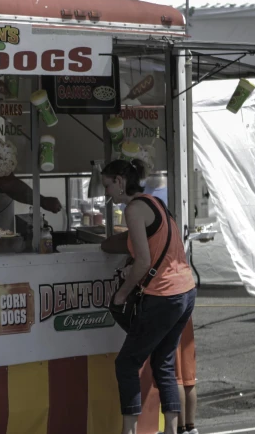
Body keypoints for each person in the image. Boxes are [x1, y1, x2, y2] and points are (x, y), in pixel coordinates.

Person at [99, 158, 196, 434]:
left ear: (119, 181)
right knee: (163, 361)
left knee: (127, 362)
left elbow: (143, 261)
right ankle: (172, 430)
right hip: (185, 291)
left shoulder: (133, 209)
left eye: (107, 185)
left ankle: (129, 431)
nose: (106, 192)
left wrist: (122, 293)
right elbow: (154, 249)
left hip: (164, 295)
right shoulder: (155, 203)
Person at [175, 316, 198, 434]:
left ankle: (180, 427)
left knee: (176, 377)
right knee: (188, 378)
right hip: (186, 315)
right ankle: (190, 426)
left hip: (172, 315)